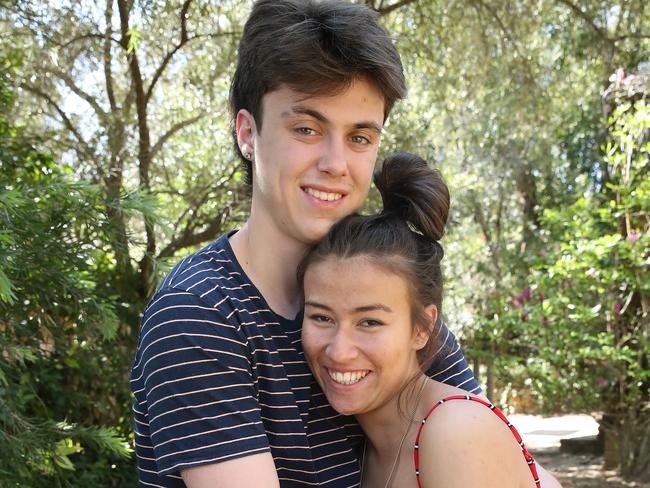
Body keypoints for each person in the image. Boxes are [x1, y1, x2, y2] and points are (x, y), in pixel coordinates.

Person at [130, 1, 559, 486]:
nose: (336, 163)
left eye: (359, 137)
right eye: (307, 129)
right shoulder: (201, 311)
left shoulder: (383, 290)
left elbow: (517, 466)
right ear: (248, 132)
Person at [299, 152, 562, 487]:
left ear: (421, 328)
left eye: (369, 322)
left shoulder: (455, 431)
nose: (339, 351)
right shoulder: (366, 448)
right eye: (322, 317)